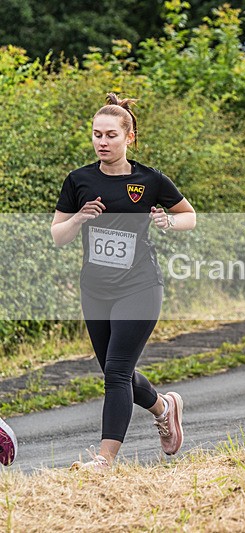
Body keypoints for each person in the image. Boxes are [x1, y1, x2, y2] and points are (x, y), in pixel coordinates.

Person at [51, 93, 196, 469]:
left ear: (129, 137)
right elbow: (57, 235)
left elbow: (189, 216)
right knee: (118, 372)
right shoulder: (78, 180)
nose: (102, 142)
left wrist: (168, 221)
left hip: (140, 285)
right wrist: (79, 218)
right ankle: (165, 407)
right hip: (95, 289)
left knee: (115, 372)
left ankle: (104, 459)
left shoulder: (149, 179)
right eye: (97, 134)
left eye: (111, 135)